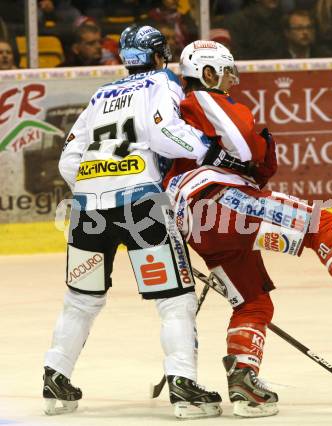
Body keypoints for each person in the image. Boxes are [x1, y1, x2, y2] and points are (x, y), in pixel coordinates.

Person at [163, 40, 332, 416]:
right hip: (221, 199)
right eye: (224, 73)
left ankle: (244, 383)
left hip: (197, 223)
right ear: (207, 73)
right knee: (324, 223)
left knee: (252, 301)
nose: (229, 82)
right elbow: (246, 147)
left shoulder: (171, 116)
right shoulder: (204, 100)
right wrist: (257, 157)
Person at [43, 25, 226, 419]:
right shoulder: (163, 82)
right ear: (160, 54)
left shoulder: (100, 94)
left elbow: (67, 159)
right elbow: (163, 133)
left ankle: (55, 375)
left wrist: (98, 187)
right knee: (174, 301)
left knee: (81, 300)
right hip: (141, 206)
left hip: (88, 210)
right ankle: (183, 385)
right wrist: (207, 151)